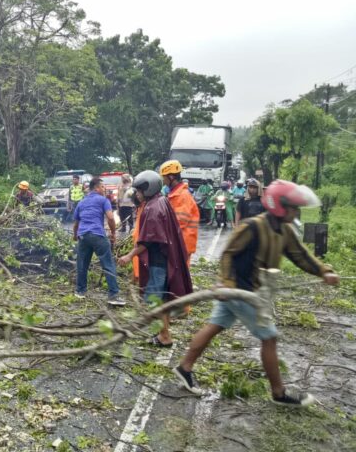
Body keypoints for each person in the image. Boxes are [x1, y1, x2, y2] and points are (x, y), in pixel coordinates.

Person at [173, 180, 340, 406]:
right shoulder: (252, 226)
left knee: (215, 325)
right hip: (242, 292)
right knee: (269, 338)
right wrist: (228, 283)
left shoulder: (285, 231)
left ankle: (185, 367)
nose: (297, 212)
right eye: (293, 207)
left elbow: (301, 256)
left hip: (245, 290)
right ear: (280, 206)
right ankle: (279, 393)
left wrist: (323, 271)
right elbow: (228, 254)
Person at [118, 171, 193, 346]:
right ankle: (163, 334)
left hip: (159, 261)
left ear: (148, 189)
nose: (136, 194)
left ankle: (164, 336)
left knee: (155, 301)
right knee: (162, 299)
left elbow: (149, 241)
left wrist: (129, 256)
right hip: (166, 259)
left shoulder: (152, 208)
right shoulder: (162, 201)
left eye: (138, 191)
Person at [73, 177, 125, 306]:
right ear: (96, 188)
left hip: (83, 236)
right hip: (97, 234)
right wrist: (113, 233)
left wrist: (75, 236)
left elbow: (76, 223)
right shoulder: (103, 200)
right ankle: (113, 294)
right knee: (108, 264)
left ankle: (80, 291)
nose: (104, 189)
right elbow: (111, 218)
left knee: (82, 264)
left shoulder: (81, 202)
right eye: (102, 187)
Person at [159, 160, 199, 264]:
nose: (163, 180)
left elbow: (178, 222)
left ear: (171, 177)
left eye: (164, 177)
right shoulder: (175, 194)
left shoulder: (182, 196)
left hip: (182, 244)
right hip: (179, 243)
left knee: (179, 279)